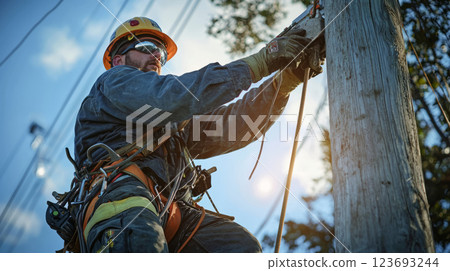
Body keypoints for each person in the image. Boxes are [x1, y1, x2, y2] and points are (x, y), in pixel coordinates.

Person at [73, 16, 315, 253]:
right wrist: (261, 62)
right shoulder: (113, 84)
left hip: (173, 214)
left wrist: (282, 84)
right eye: (146, 47)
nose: (157, 56)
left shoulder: (171, 124)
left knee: (241, 247)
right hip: (121, 201)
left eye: (161, 53)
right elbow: (172, 95)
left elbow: (233, 126)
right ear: (118, 60)